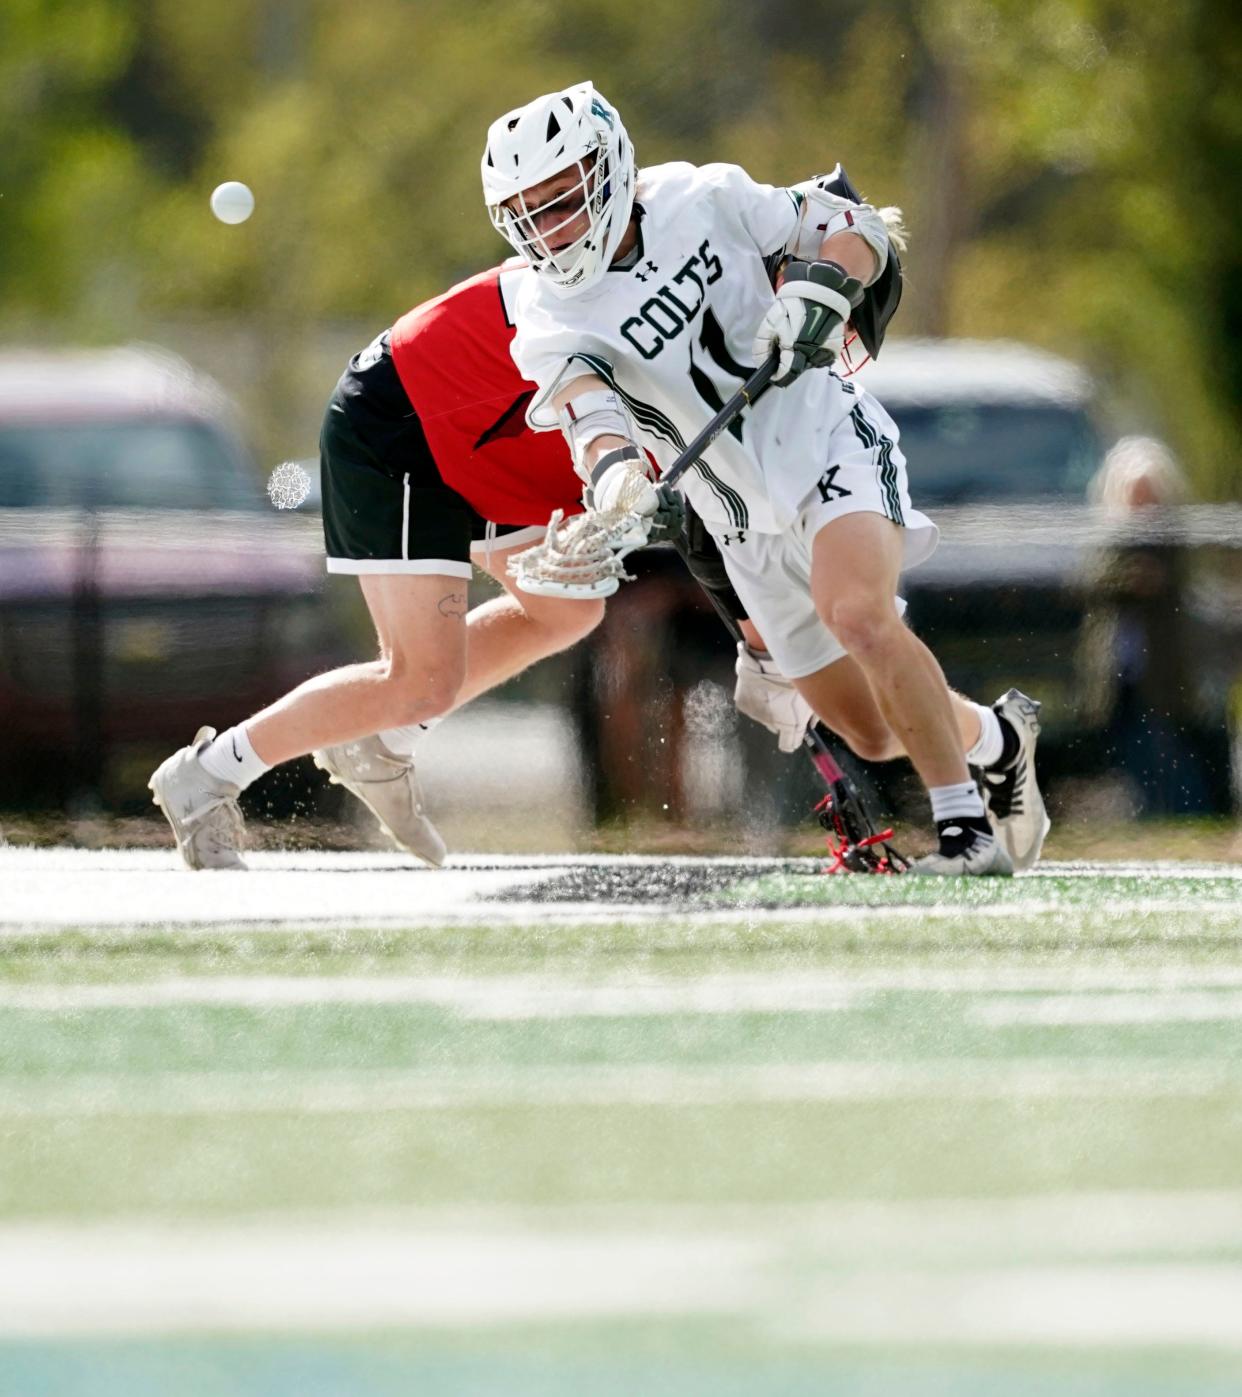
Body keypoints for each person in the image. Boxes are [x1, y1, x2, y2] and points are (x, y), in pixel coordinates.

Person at [482, 81, 1050, 875]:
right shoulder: (546, 314)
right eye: (530, 214)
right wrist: (613, 479)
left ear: (608, 171)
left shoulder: (701, 195)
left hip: (825, 441)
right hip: (738, 518)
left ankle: (967, 829)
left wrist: (818, 290)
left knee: (858, 613)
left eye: (563, 200)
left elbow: (857, 227)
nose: (551, 229)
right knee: (873, 729)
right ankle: (996, 739)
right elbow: (588, 411)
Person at [148, 262, 811, 869]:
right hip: (404, 423)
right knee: (421, 678)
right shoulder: (680, 307)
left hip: (491, 442)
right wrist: (765, 648)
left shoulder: (700, 310)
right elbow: (706, 526)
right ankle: (207, 774)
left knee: (567, 610)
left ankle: (383, 741)